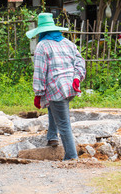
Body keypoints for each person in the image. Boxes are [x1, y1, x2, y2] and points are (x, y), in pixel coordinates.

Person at [26, 12, 86, 160]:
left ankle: (71, 157)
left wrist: (38, 93)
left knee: (64, 125)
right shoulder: (68, 43)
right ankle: (52, 136)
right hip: (71, 86)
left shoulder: (42, 46)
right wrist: (77, 78)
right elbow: (80, 62)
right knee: (52, 105)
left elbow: (40, 72)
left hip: (57, 88)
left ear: (41, 31)